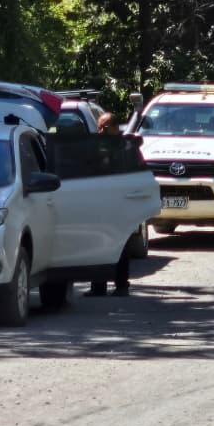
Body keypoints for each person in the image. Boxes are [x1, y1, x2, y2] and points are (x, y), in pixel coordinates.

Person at [86, 112, 131, 298]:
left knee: (121, 245)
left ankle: (121, 285)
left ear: (114, 127)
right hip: (98, 203)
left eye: (105, 127)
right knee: (96, 244)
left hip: (119, 203)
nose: (101, 131)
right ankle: (98, 286)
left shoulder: (125, 146)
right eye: (99, 127)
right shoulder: (95, 146)